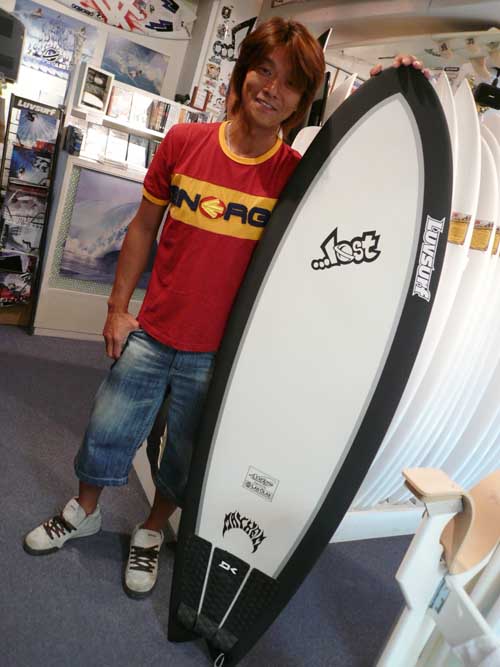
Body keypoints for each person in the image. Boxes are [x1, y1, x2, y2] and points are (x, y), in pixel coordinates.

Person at [23, 16, 429, 600]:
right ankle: (84, 511)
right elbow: (142, 228)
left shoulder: (295, 179)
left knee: (186, 456)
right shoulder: (184, 143)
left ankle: (152, 529)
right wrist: (116, 308)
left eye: (291, 83)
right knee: (106, 429)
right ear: (242, 75)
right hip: (152, 332)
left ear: (302, 101)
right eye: (264, 70)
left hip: (221, 355)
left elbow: (371, 184)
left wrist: (396, 91)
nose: (273, 89)